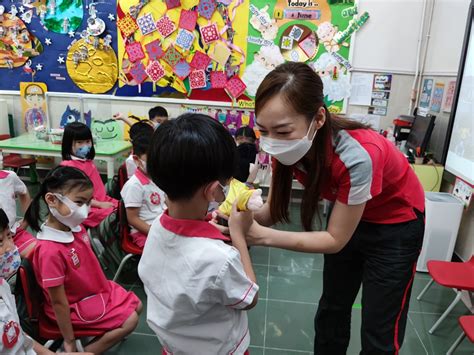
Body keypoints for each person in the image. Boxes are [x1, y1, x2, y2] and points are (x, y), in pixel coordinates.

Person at [243, 62, 425, 355]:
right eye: (263, 130)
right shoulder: (285, 147)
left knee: (379, 326)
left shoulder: (358, 155)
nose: (272, 142)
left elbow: (334, 240)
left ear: (318, 118)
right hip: (349, 215)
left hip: (396, 226)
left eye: (282, 131)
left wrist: (259, 236)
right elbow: (270, 212)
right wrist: (239, 210)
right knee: (332, 309)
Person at [138, 114, 259, 354]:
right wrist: (238, 235)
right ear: (213, 190)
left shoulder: (157, 228)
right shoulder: (220, 259)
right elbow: (249, 298)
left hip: (173, 346)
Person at [24, 166, 142, 354]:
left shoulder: (72, 227)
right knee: (131, 321)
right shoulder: (49, 251)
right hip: (73, 307)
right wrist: (69, 340)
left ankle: (95, 334)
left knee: (138, 305)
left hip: (93, 292)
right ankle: (77, 350)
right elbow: (59, 303)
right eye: (79, 202)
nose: (85, 210)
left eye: (88, 203)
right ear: (52, 200)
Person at [0, 209, 93, 355]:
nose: (10, 248)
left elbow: (19, 336)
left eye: (9, 236)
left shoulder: (3, 287)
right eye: (0, 242)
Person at [120, 134, 166, 248]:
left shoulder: (158, 178)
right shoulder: (134, 186)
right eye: (151, 159)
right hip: (144, 233)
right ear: (137, 160)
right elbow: (133, 219)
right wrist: (156, 234)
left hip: (161, 226)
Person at [0, 170, 36, 257]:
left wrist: (26, 220)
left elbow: (24, 192)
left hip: (13, 233)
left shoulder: (9, 177)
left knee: (40, 253)